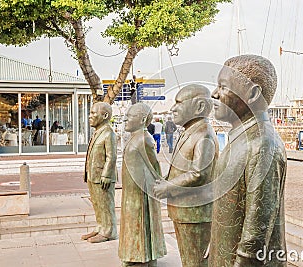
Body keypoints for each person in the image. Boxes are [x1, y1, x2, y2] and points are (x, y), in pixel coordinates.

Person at [209, 55, 287, 266]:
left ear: (253, 94)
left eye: (223, 87)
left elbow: (256, 231)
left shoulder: (262, 144)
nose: (214, 94)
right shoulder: (243, 136)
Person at [154, 84, 219, 267]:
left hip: (195, 212)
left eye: (179, 102)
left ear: (198, 106)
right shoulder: (190, 131)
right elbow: (180, 167)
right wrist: (165, 179)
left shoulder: (204, 135)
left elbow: (199, 173)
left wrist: (167, 187)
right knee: (188, 259)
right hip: (185, 209)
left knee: (195, 261)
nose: (173, 108)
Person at [119, 103, 166, 267]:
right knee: (132, 222)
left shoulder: (145, 139)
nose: (126, 119)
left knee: (140, 222)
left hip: (141, 191)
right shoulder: (135, 137)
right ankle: (133, 254)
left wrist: (157, 186)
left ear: (142, 119)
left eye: (130, 117)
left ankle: (142, 256)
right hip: (131, 190)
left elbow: (154, 166)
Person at [82, 102, 118, 243]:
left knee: (106, 205)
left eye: (93, 113)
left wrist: (107, 174)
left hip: (103, 177)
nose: (90, 116)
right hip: (93, 176)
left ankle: (109, 231)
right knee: (97, 204)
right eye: (90, 113)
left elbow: (112, 156)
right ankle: (100, 227)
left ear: (105, 116)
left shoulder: (108, 133)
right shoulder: (98, 132)